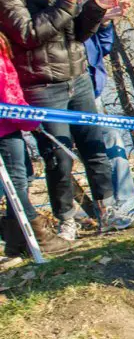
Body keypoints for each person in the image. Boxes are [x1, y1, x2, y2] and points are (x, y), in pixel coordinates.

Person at [0, 0, 133, 241]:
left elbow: (75, 33)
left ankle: (109, 212)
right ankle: (67, 222)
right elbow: (27, 34)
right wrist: (65, 1)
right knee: (59, 158)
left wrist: (96, 12)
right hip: (43, 85)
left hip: (78, 76)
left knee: (95, 147)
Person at [55, 0, 134, 227]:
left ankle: (122, 209)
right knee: (60, 155)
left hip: (90, 90)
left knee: (110, 141)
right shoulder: (56, 4)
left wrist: (102, 23)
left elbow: (102, 48)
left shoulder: (82, 4)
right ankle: (66, 220)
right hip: (54, 91)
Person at [0, 32, 75, 257]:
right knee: (16, 183)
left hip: (7, 126)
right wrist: (30, 120)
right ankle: (39, 237)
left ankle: (16, 241)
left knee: (20, 179)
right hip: (4, 130)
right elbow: (8, 94)